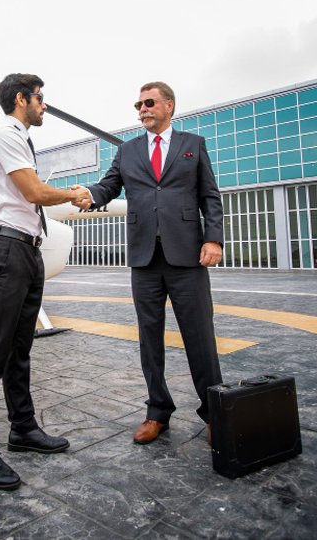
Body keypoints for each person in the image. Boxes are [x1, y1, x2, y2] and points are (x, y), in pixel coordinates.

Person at [75, 81, 223, 444]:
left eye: (149, 103)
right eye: (138, 105)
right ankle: (157, 412)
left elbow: (209, 195)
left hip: (187, 255)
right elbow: (108, 186)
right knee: (149, 338)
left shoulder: (193, 144)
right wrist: (88, 194)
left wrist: (213, 238)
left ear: (168, 105)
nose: (142, 109)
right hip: (144, 258)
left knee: (200, 337)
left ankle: (215, 412)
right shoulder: (128, 151)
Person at [0, 73, 88, 490]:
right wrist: (72, 193)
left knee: (19, 350)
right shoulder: (6, 136)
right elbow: (34, 192)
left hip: (27, 251)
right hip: (7, 252)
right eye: (40, 98)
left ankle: (23, 428)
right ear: (22, 99)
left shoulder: (20, 138)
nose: (44, 105)